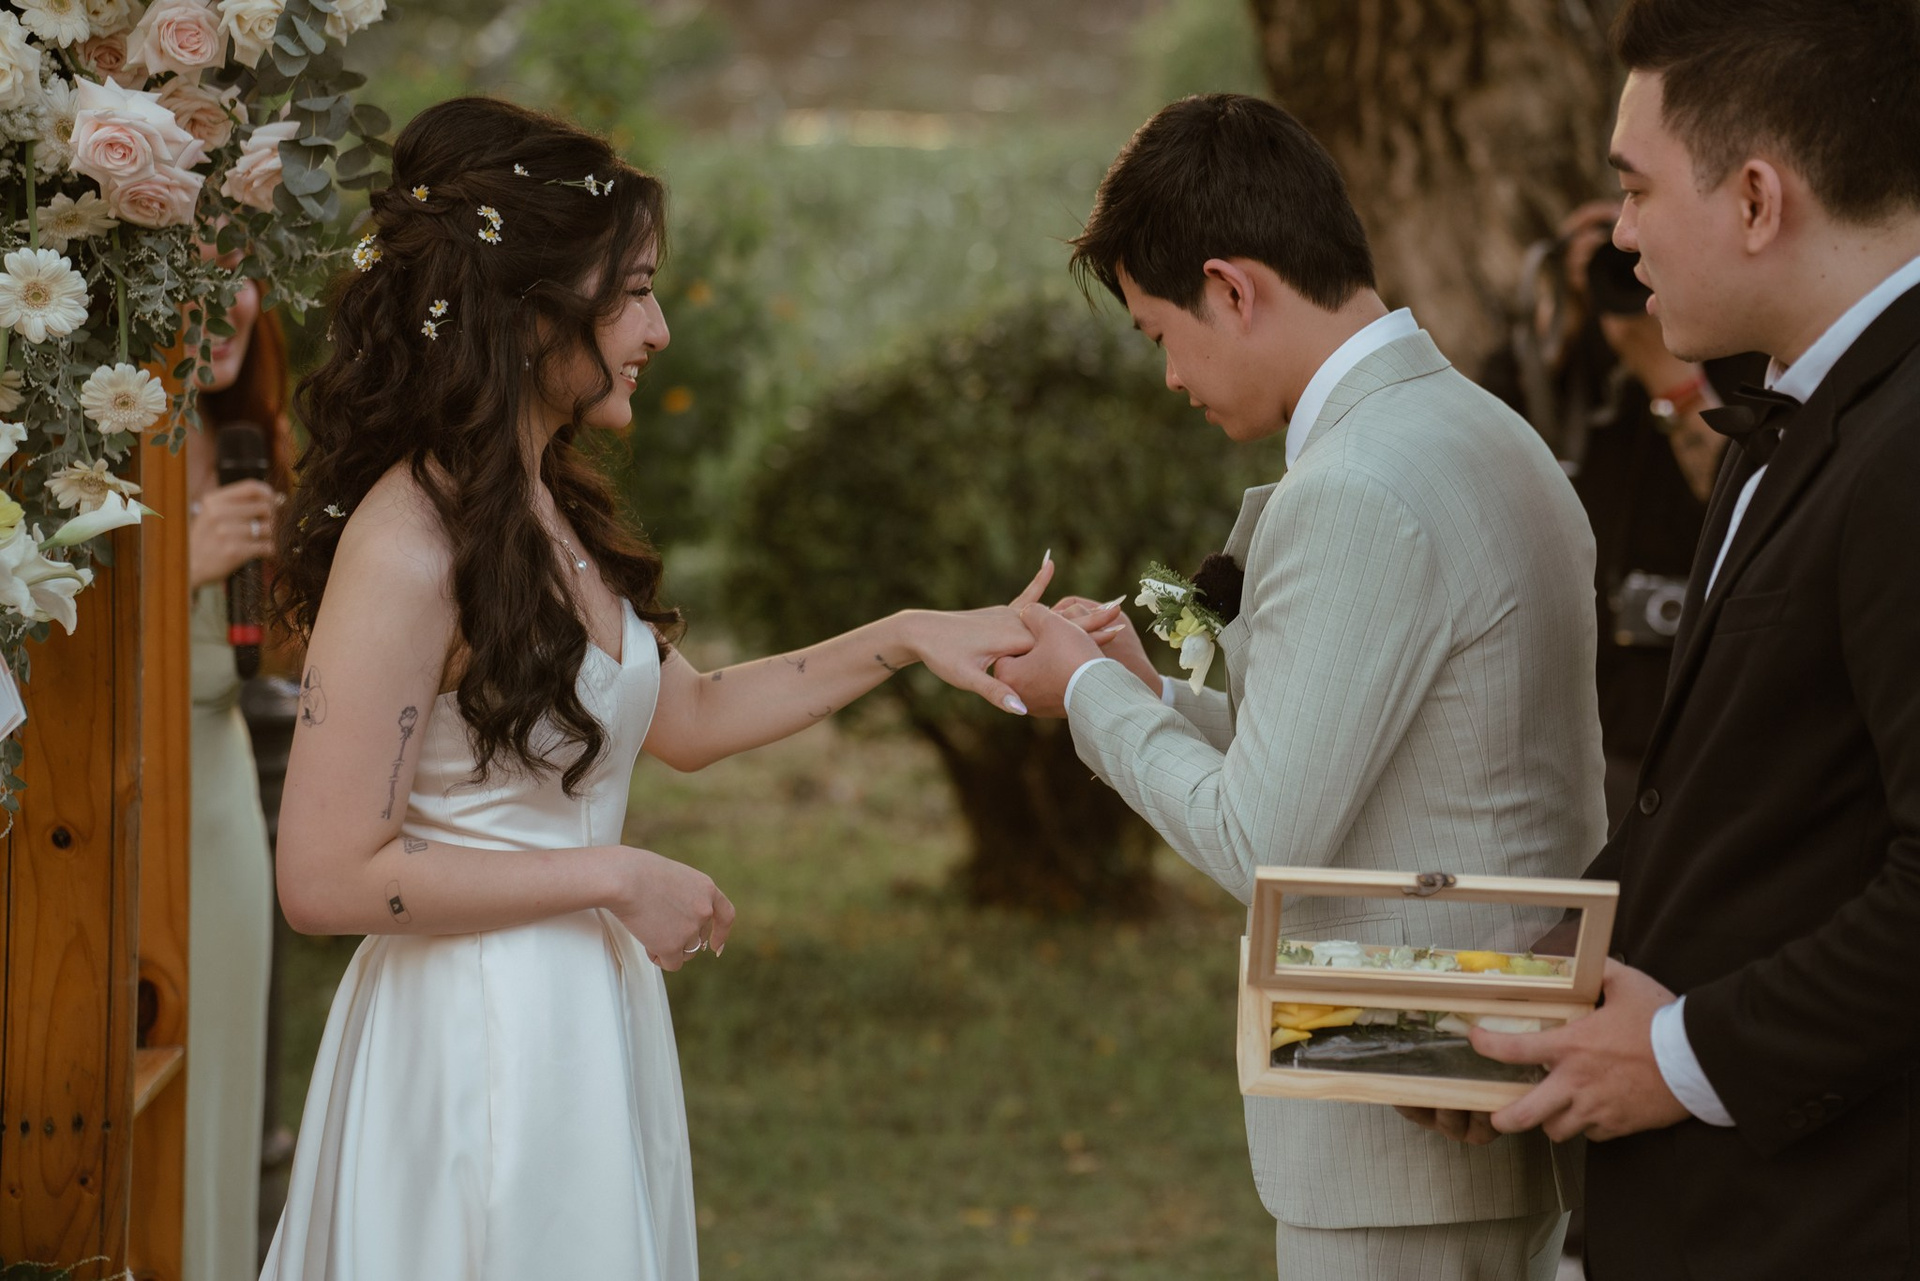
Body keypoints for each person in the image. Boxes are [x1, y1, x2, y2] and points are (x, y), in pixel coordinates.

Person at [258, 97, 1051, 1280]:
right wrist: (614, 876)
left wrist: (908, 636)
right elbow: (323, 877)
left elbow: (690, 714)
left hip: (576, 1025)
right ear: (530, 314)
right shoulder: (409, 543)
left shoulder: (539, 506)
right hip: (471, 1041)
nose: (660, 328)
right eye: (631, 292)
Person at [996, 93, 1605, 1281]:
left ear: (1232, 289)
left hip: (1398, 1108)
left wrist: (1089, 703)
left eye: (1160, 332)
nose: (1170, 377)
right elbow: (1384, 752)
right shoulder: (1488, 431)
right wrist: (1153, 695)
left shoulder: (1354, 487)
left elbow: (1261, 836)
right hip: (1494, 1059)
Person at [1423, 2, 1920, 1276]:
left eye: (1637, 189)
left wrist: (1678, 1058)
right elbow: (1747, 809)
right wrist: (1524, 995)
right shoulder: (1786, 417)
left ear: (1757, 198)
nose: (1622, 234)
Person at [183, 255, 290, 1281]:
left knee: (221, 1100)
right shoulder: (66, 448)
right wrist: (177, 567)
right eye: (194, 268)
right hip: (101, 805)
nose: (226, 302)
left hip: (221, 814)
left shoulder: (245, 441)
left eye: (242, 271)